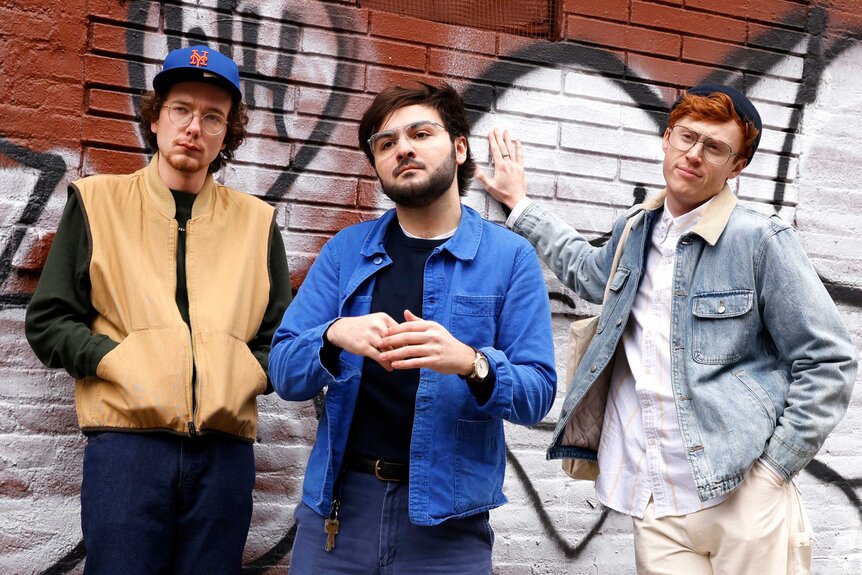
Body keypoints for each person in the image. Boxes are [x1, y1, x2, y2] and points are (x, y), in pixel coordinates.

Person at [478, 83, 857, 574]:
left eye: (715, 147)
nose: (694, 155)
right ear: (667, 138)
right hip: (656, 497)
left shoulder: (760, 239)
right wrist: (522, 205)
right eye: (686, 137)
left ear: (736, 167)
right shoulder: (636, 230)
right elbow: (588, 272)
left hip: (742, 492)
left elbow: (828, 360)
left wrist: (773, 470)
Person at [269, 82, 556, 574]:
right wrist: (332, 337)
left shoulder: (510, 259)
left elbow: (538, 394)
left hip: (448, 526)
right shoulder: (345, 252)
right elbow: (283, 370)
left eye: (421, 133)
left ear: (459, 147)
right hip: (338, 513)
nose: (403, 148)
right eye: (385, 143)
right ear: (377, 164)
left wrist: (473, 363)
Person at [25, 45, 292, 574]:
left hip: (225, 454)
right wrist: (119, 360)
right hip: (126, 448)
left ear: (227, 134)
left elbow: (280, 336)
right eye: (181, 109)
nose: (194, 127)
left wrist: (244, 372)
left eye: (213, 116)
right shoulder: (98, 202)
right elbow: (48, 320)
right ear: (155, 117)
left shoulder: (258, 222)